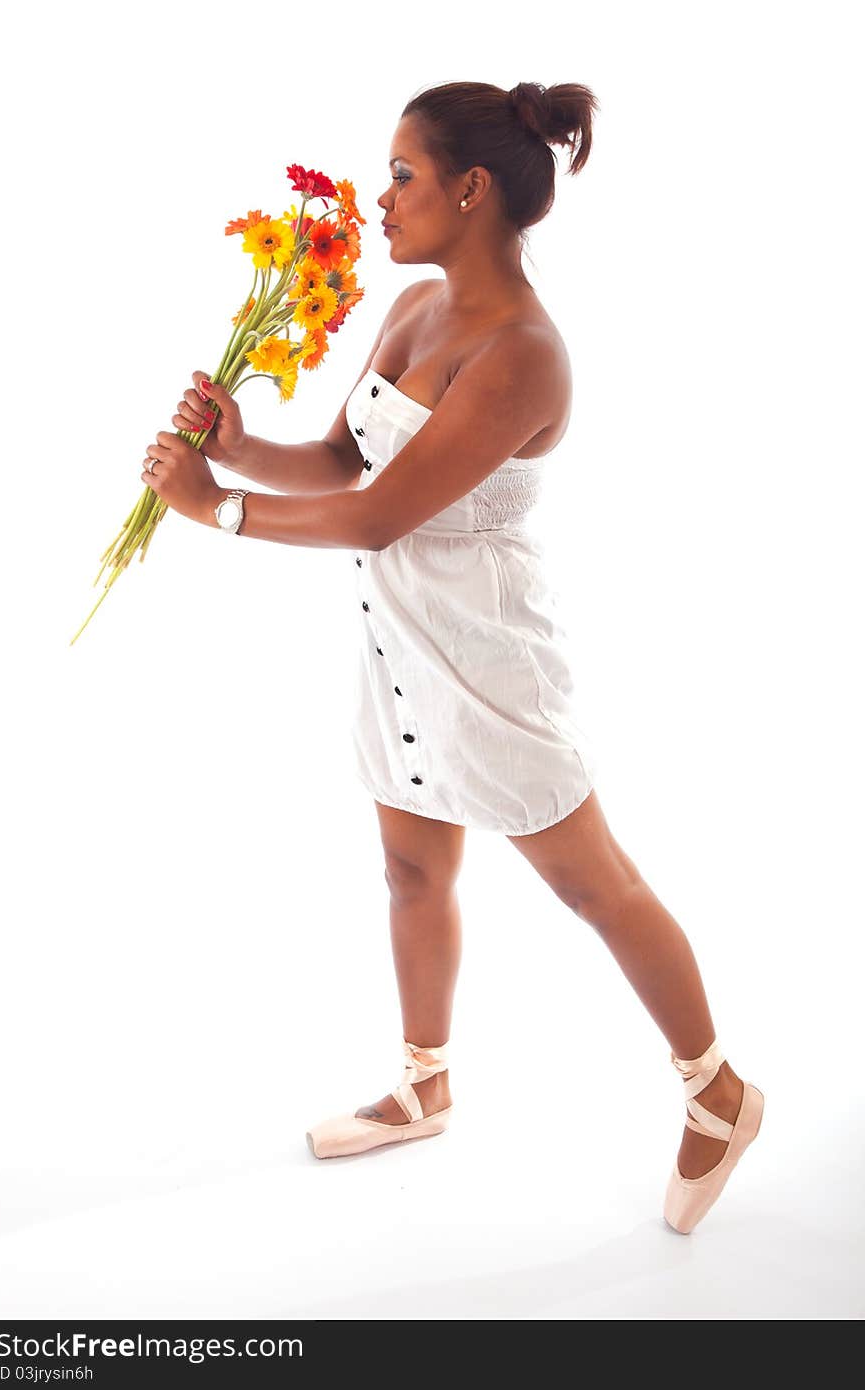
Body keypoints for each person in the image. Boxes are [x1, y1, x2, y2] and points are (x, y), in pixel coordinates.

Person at [141, 80, 763, 1235]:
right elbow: (343, 465)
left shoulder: (526, 354)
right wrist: (241, 449)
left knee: (593, 884)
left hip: (490, 662)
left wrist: (214, 509)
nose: (381, 201)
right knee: (412, 873)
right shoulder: (415, 309)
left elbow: (382, 517)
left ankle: (718, 1093)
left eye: (402, 176)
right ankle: (425, 1081)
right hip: (396, 646)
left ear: (469, 189)